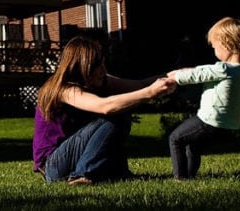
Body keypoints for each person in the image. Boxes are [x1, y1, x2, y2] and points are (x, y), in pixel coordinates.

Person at [33, 32, 176, 185]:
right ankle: (83, 174)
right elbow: (105, 106)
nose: (103, 70)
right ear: (83, 67)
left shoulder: (98, 80)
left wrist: (174, 76)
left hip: (72, 157)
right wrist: (150, 93)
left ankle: (116, 173)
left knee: (119, 113)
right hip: (53, 166)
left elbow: (139, 85)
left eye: (103, 63)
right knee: (116, 115)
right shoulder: (63, 89)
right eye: (98, 66)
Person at [167, 16, 240, 180]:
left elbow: (199, 74)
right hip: (226, 125)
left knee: (175, 139)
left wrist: (176, 76)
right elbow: (205, 70)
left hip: (208, 121)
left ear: (227, 44)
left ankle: (179, 179)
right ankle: (189, 176)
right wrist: (187, 71)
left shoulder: (224, 69)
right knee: (193, 147)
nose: (214, 51)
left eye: (215, 47)